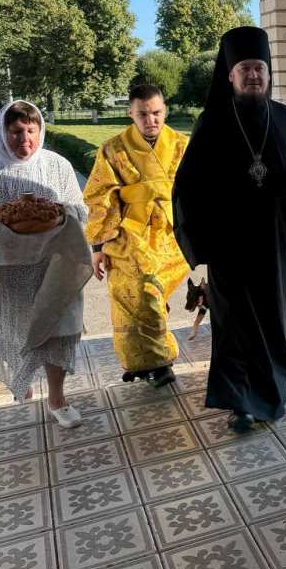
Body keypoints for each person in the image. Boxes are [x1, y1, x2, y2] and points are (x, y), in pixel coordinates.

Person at [172, 26, 286, 433]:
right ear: (230, 75)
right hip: (229, 239)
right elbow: (188, 185)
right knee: (234, 322)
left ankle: (273, 387)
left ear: (268, 73)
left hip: (275, 236)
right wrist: (199, 241)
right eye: (245, 68)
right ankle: (241, 403)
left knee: (273, 315)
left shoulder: (285, 117)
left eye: (259, 68)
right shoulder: (212, 121)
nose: (253, 75)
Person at [0, 100, 91, 427]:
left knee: (57, 329)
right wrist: (2, 219)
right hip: (7, 272)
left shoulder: (56, 165)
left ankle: (57, 399)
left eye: (31, 130)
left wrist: (58, 212)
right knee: (16, 329)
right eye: (16, 132)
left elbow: (80, 209)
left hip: (52, 268)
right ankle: (22, 379)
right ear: (2, 132)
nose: (25, 139)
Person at [84, 83, 189, 386]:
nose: (150, 120)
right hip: (129, 234)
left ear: (165, 110)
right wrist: (98, 247)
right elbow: (100, 199)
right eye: (142, 114)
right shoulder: (112, 149)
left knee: (150, 294)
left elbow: (200, 190)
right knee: (129, 296)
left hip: (171, 234)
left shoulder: (182, 145)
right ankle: (152, 363)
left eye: (156, 113)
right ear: (130, 113)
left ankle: (152, 360)